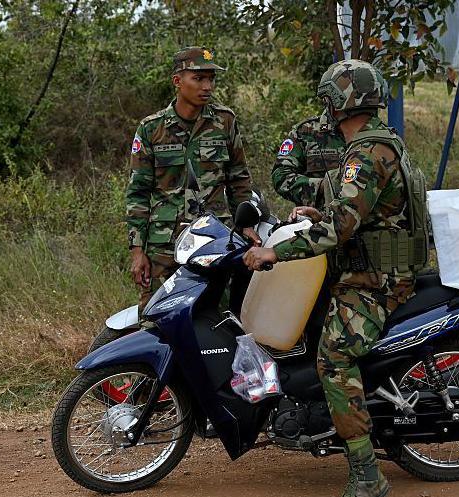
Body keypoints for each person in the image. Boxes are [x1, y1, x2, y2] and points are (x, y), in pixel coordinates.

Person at [244, 60, 428, 497]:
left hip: (376, 278)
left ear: (337, 104)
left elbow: (340, 227)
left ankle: (367, 474)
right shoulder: (376, 144)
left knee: (334, 359)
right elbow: (356, 211)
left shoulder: (366, 152)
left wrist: (275, 252)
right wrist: (319, 211)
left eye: (328, 101)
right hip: (371, 268)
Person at [126, 46, 258, 311]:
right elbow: (138, 192)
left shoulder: (224, 122)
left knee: (217, 315)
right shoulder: (152, 128)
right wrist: (137, 250)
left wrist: (246, 224)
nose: (207, 86)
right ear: (178, 81)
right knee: (156, 315)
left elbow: (238, 179)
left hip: (214, 239)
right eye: (198, 78)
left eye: (211, 79)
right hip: (164, 244)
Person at [271, 106, 347, 207]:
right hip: (317, 218)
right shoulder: (306, 131)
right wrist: (323, 186)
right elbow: (281, 176)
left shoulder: (371, 130)